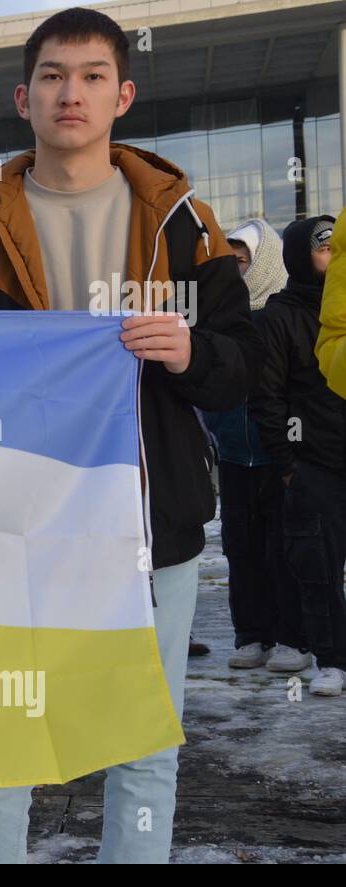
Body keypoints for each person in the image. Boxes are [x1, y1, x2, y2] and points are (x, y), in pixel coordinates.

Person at [0, 6, 262, 863]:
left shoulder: (184, 224)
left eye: (93, 76)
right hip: (9, 530)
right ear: (23, 97)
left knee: (143, 743)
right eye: (55, 77)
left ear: (123, 96)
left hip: (150, 526)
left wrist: (191, 353)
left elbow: (245, 366)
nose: (74, 93)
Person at [200, 220, 306, 672]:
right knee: (240, 548)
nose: (237, 269)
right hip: (233, 452)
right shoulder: (222, 316)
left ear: (264, 262)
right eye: (232, 261)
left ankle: (291, 637)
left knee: (282, 548)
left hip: (275, 454)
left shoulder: (284, 312)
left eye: (243, 261)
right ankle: (252, 634)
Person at [249, 215, 344, 696]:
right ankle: (332, 659)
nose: (333, 257)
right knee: (319, 569)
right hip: (315, 465)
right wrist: (288, 464)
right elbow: (268, 399)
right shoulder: (278, 318)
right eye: (324, 248)